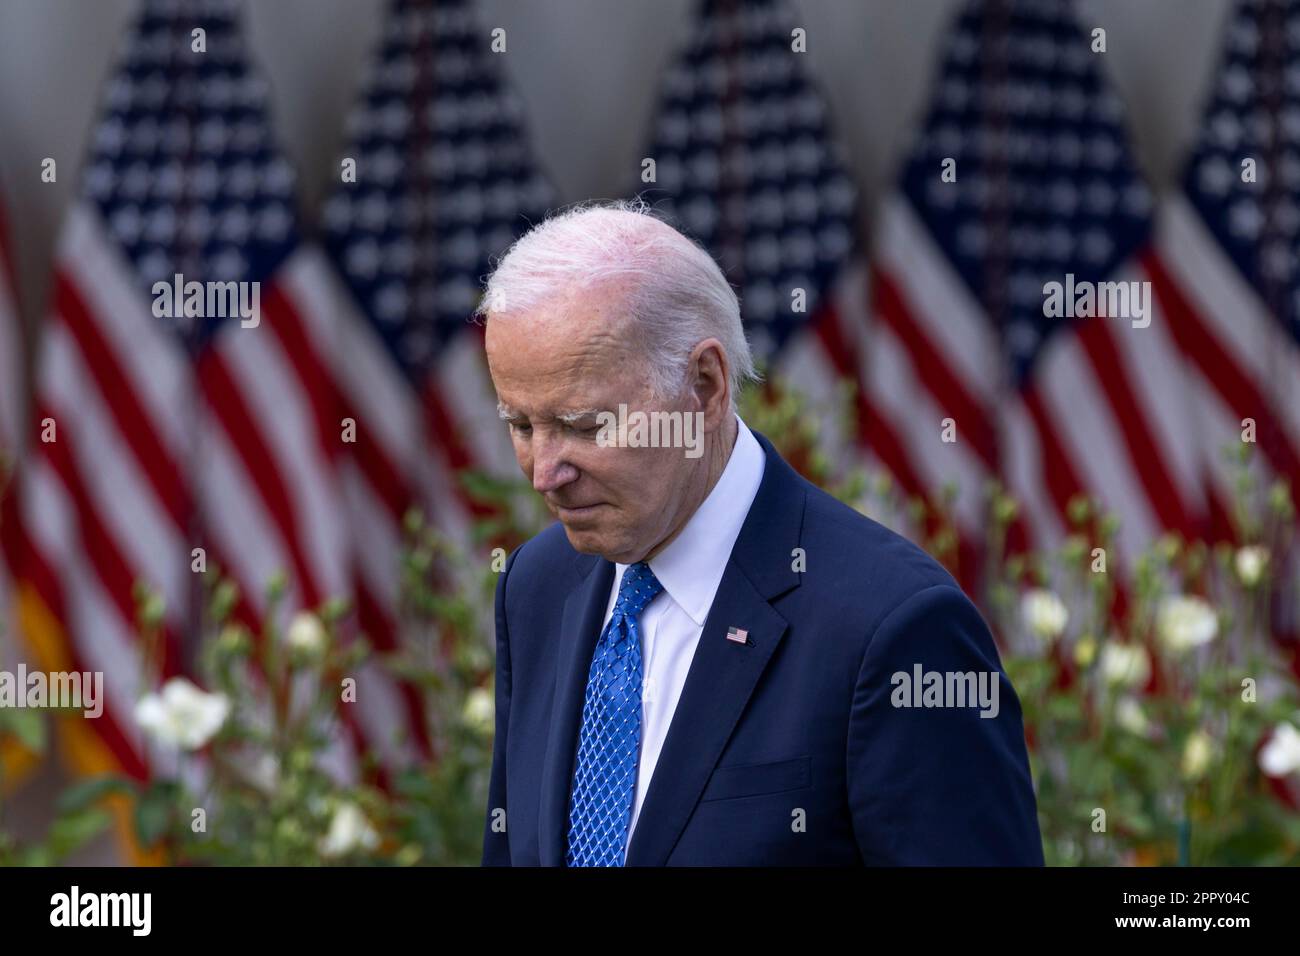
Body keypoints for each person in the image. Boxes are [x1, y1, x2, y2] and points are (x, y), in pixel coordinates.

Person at [477, 198, 1043, 866]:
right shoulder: (538, 586)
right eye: (521, 425)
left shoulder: (894, 630)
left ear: (706, 387)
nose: (544, 472)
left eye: (584, 426)